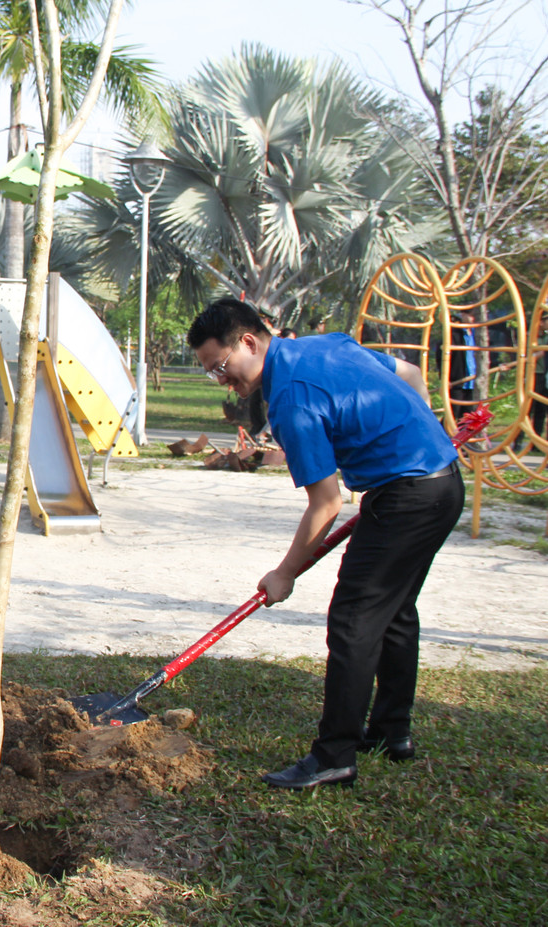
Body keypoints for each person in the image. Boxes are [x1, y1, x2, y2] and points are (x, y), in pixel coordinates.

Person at [187, 297, 463, 790]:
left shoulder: (291, 398)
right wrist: (424, 432)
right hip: (440, 485)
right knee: (394, 611)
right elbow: (411, 373)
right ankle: (391, 733)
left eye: (221, 367)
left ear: (249, 342)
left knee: (355, 620)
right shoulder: (324, 346)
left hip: (409, 495)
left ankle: (335, 755)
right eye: (212, 374)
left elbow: (326, 503)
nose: (221, 380)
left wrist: (285, 573)